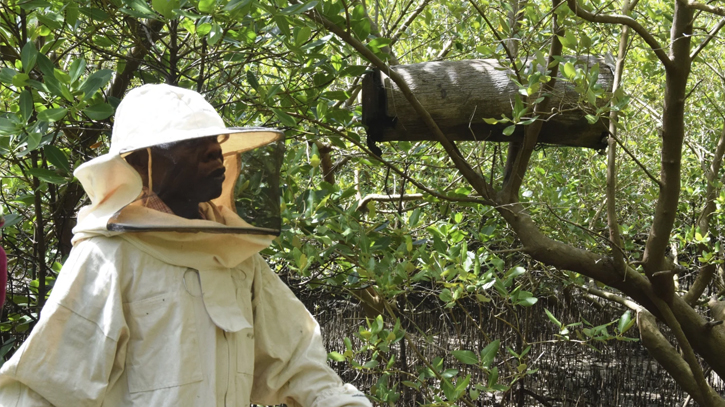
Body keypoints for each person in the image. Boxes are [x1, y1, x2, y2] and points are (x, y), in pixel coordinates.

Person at [0, 84, 372, 407]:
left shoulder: (234, 253)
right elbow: (47, 388)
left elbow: (294, 360)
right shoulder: (109, 256)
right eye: (192, 142)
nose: (214, 151)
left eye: (215, 140)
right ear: (142, 161)